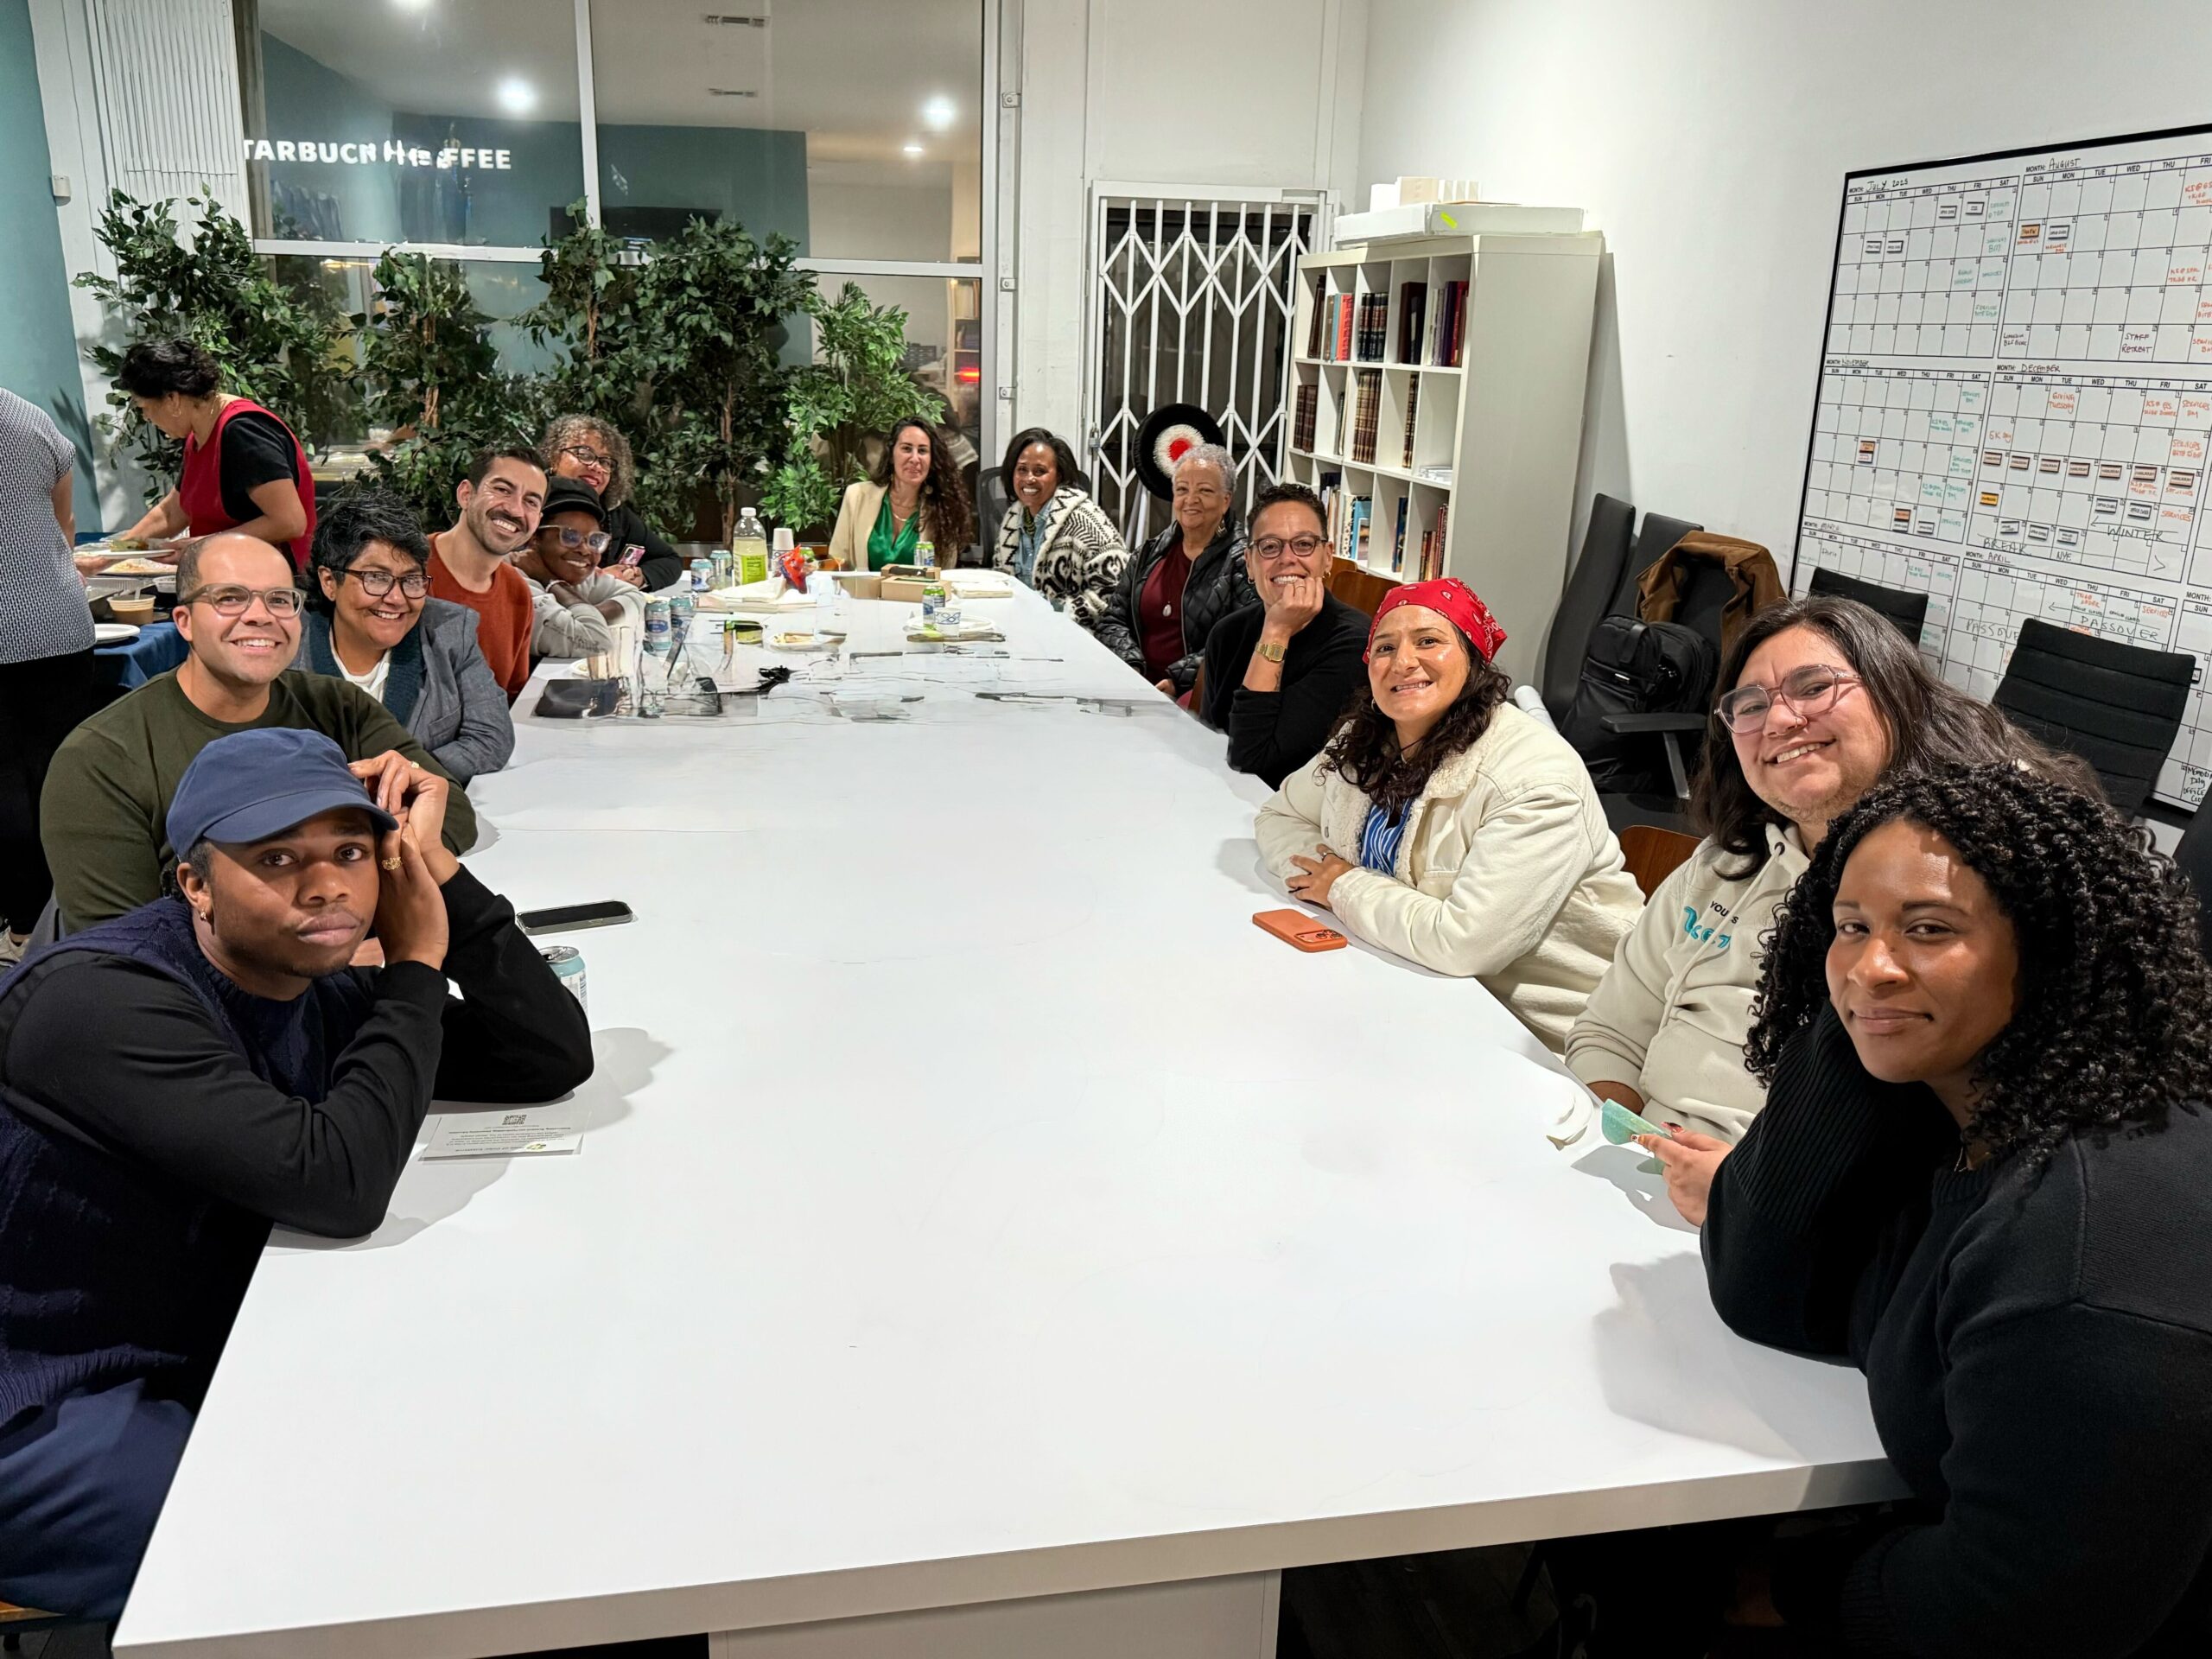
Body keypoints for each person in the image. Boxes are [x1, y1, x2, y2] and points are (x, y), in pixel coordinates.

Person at [0, 728, 593, 1619]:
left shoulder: (297, 981)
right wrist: (415, 965)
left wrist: (447, 885)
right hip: (36, 1392)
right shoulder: (102, 1001)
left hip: (184, 1343)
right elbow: (338, 1187)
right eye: (275, 858)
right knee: (277, 1553)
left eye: (351, 853)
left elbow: (543, 1057)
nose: (324, 886)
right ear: (193, 882)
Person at [1693, 766, 2212, 1655]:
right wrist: (1856, 1021)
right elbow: (1761, 1291)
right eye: (1849, 925)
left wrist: (1785, 1586)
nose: (1873, 964)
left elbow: (2015, 1618)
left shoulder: (2091, 1242)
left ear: (2055, 950)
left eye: (1929, 929)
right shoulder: (1965, 1108)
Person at [1567, 594, 2095, 1181]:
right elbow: (1609, 1030)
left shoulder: (1963, 884)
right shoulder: (1724, 865)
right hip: (1648, 1180)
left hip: (1804, 1230)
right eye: (1749, 704)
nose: (1780, 720)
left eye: (1814, 687)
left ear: (1894, 695)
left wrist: (1743, 1198)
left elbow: (1969, 1136)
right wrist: (1626, 1143)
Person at [1255, 578, 1641, 1052]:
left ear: (1474, 657)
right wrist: (1322, 877)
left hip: (1536, 1037)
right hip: (1400, 980)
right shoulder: (1365, 737)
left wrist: (1342, 886)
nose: (1403, 662)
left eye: (1429, 641)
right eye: (1384, 647)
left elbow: (1465, 943)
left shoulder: (1536, 778)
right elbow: (1280, 816)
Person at [41, 531, 476, 930]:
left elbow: (451, 812)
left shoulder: (338, 707)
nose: (260, 616)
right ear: (184, 621)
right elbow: (123, 944)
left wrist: (346, 924)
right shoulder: (100, 759)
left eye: (280, 599)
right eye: (230, 598)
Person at [296, 487, 514, 785]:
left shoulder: (450, 631)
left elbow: (492, 737)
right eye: (376, 578)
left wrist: (411, 774)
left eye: (410, 580)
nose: (396, 598)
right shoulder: (287, 644)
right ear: (329, 582)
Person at [0, 390, 98, 965]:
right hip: (60, 625)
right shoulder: (27, 415)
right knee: (58, 771)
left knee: (7, 785)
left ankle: (26, 931)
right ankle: (70, 913)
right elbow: (64, 526)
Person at [1198, 480, 1369, 788]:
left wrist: (1276, 630)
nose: (1287, 558)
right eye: (1269, 546)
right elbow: (1212, 744)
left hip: (1298, 817)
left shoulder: (1355, 645)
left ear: (1327, 557)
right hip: (1221, 797)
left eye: (1303, 544)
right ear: (1249, 563)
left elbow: (1252, 760)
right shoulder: (1228, 633)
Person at [112, 339, 315, 569]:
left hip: (270, 581)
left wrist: (203, 545)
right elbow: (172, 512)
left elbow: (289, 522)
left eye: (144, 407)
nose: (147, 418)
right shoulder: (198, 434)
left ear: (172, 399)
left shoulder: (243, 431)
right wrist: (114, 553)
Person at [1096, 443, 1254, 698]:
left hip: (1198, 696)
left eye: (1205, 490)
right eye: (1182, 490)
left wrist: (1176, 680)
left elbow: (1241, 642)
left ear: (1226, 500)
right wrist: (1132, 666)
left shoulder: (1244, 562)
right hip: (1135, 686)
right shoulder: (1148, 553)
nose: (1191, 500)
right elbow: (1112, 620)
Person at [427, 445, 545, 702]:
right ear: (466, 494)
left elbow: (510, 700)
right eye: (502, 490)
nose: (515, 510)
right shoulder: (406, 572)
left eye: (531, 502)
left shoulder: (518, 593)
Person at [987, 426, 1126, 628]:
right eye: (1022, 469)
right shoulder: (1013, 517)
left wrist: (1057, 614)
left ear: (1058, 476)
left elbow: (1114, 592)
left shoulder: (1084, 519)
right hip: (1023, 629)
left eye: (1040, 471)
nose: (1029, 479)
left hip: (1075, 635)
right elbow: (1001, 580)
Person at [541, 413, 678, 591]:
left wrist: (638, 577)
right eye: (583, 454)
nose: (596, 467)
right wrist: (601, 581)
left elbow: (669, 560)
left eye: (605, 461)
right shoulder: (527, 503)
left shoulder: (614, 511)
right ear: (554, 456)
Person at [824, 416, 979, 572]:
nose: (915, 458)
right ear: (891, 455)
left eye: (923, 451)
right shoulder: (857, 496)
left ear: (932, 460)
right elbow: (837, 560)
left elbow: (944, 574)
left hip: (917, 595)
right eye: (906, 449)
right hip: (863, 595)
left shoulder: (943, 508)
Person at [512, 480, 645, 660]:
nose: (584, 550)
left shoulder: (572, 573)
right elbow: (595, 642)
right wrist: (554, 583)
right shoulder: (514, 581)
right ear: (535, 537)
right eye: (569, 536)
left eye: (595, 540)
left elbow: (634, 597)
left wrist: (584, 616)